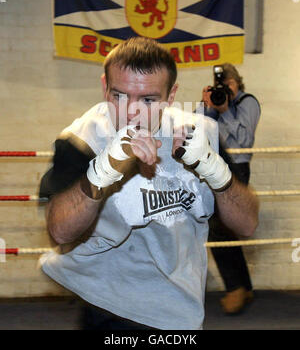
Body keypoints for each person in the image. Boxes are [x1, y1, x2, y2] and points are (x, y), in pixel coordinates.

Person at [39, 38, 258, 330]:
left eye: (148, 100)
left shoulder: (199, 133)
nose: (131, 112)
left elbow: (247, 224)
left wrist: (214, 169)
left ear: (171, 96)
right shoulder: (83, 139)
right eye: (119, 95)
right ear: (105, 86)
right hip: (107, 300)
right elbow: (60, 231)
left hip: (179, 306)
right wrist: (103, 171)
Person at [200, 63, 261, 315]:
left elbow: (245, 139)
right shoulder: (213, 101)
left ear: (238, 83)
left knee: (219, 228)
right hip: (215, 169)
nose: (224, 89)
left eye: (229, 84)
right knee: (225, 229)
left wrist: (225, 111)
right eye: (220, 85)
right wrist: (206, 108)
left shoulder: (248, 102)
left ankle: (235, 288)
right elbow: (199, 133)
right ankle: (244, 288)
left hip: (237, 169)